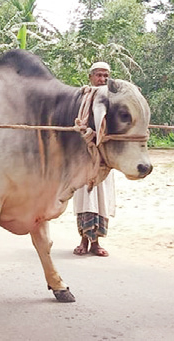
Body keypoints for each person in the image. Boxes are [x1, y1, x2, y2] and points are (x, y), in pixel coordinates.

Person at [72, 62, 115, 257]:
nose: (102, 79)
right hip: (84, 157)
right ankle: (83, 240)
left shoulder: (113, 101)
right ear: (91, 76)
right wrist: (87, 133)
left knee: (100, 200)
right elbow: (75, 125)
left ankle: (96, 243)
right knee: (85, 199)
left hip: (104, 159)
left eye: (106, 76)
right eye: (99, 75)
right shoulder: (81, 99)